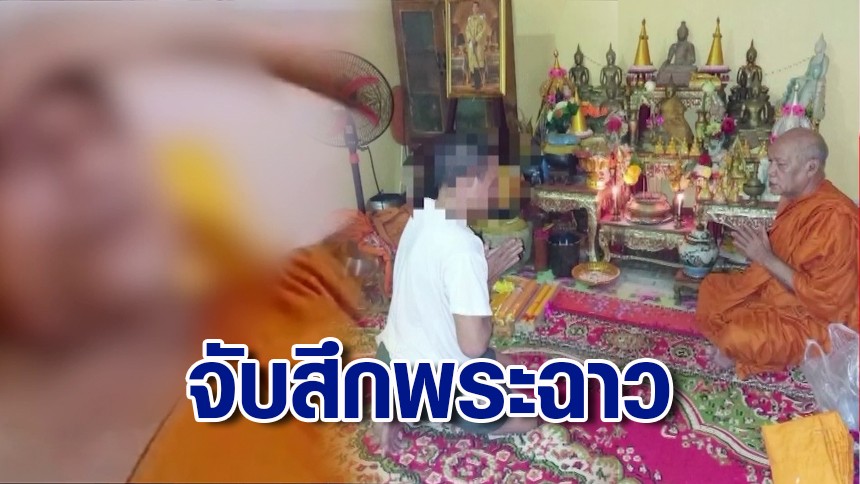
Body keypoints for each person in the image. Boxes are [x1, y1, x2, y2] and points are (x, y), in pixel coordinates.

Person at [0, 10, 362, 482]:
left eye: (100, 131)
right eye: (30, 153)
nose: (93, 171)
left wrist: (199, 35)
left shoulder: (293, 296)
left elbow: (395, 101)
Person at [373, 136, 538, 449]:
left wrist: (482, 279)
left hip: (392, 358)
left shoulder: (421, 216)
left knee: (509, 365)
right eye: (490, 183)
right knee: (532, 416)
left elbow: (437, 299)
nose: (494, 193)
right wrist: (484, 279)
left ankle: (396, 401)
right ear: (468, 181)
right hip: (436, 383)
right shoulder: (463, 247)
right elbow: (474, 345)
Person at [696, 128, 859, 378]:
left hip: (818, 318)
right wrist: (761, 255)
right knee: (711, 289)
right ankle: (739, 346)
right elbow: (784, 260)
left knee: (737, 336)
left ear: (811, 167)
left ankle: (737, 349)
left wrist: (765, 257)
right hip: (779, 293)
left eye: (780, 164)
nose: (770, 171)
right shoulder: (794, 199)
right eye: (771, 162)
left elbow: (828, 302)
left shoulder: (835, 217)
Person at [464, 1, 489, 90]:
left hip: (478, 45)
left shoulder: (482, 19)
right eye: (473, 7)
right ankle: (475, 82)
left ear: (478, 8)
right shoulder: (470, 19)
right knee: (472, 63)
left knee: (478, 62)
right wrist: (471, 38)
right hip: (472, 44)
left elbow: (484, 30)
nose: (474, 9)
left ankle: (479, 83)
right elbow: (467, 30)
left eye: (476, 7)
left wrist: (477, 39)